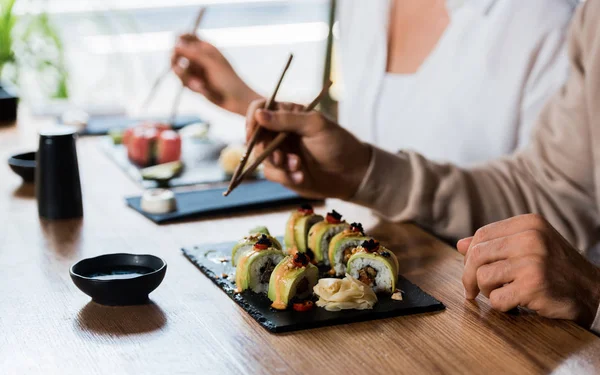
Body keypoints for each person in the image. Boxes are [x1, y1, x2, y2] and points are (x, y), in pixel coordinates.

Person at [241, 0, 600, 332]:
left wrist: (592, 291)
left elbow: (572, 246)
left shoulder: (546, 17)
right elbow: (554, 188)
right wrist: (364, 172)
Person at [171, 0, 577, 166]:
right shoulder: (364, 6)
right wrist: (246, 98)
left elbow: (560, 220)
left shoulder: (543, 22)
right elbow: (363, 149)